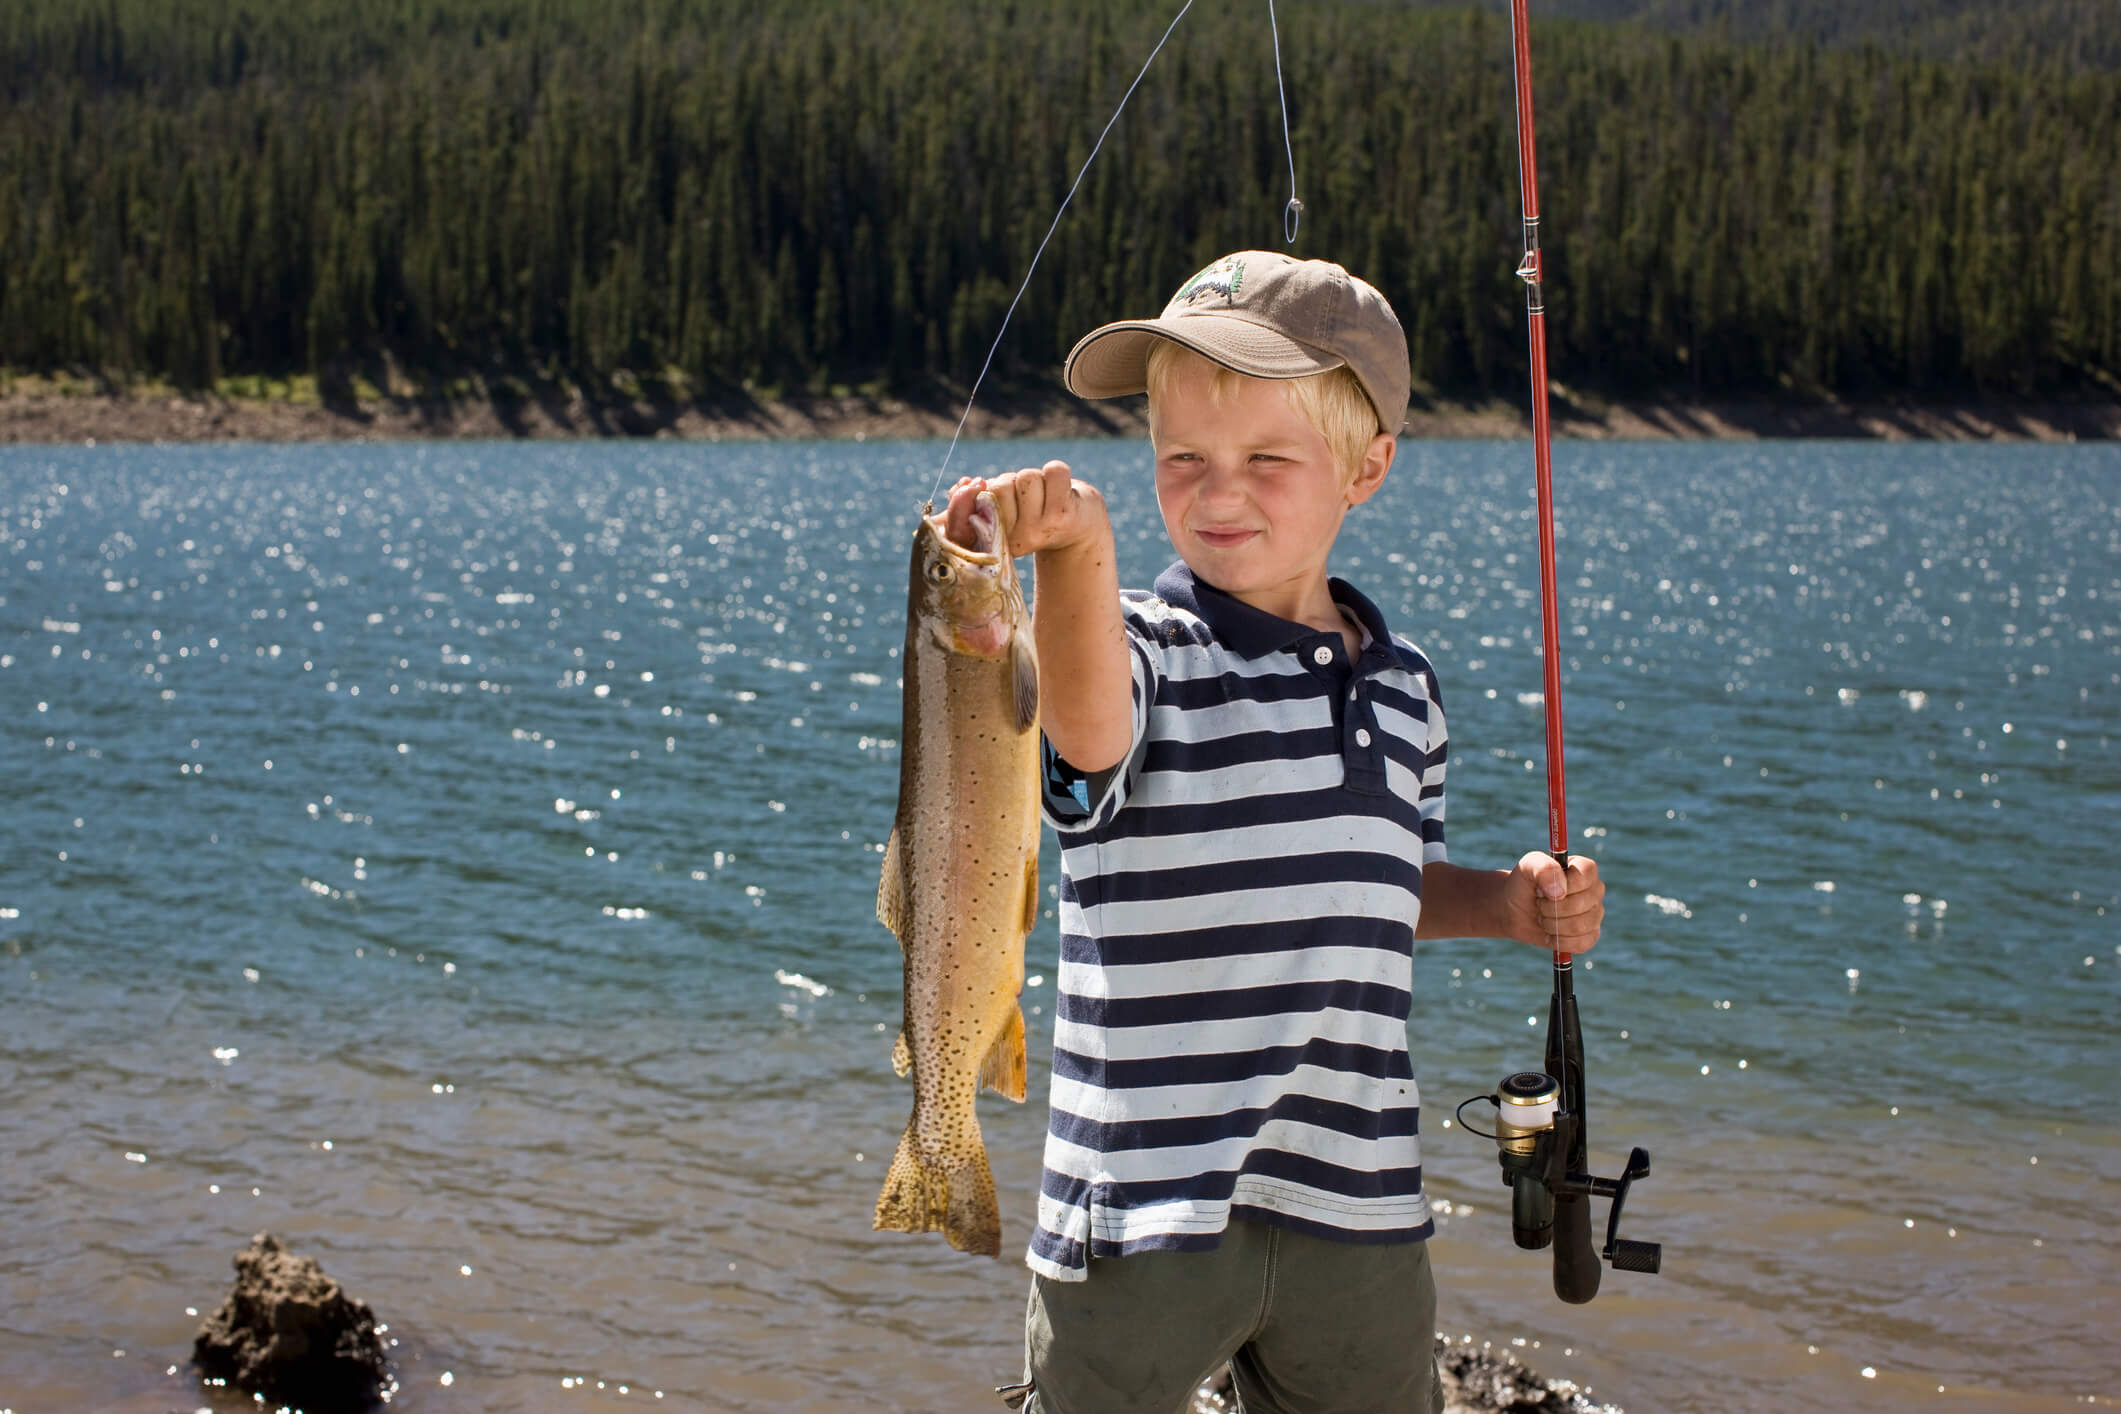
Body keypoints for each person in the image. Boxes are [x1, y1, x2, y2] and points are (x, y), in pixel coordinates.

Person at [942, 250, 1605, 1414]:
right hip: (1143, 1209)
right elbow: (1090, 734)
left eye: (1264, 459)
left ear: (1368, 467)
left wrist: (1502, 904)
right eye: (1182, 458)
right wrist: (1076, 565)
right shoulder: (1139, 644)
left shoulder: (1407, 693)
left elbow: (1387, 883)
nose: (1217, 491)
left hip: (1353, 1197)